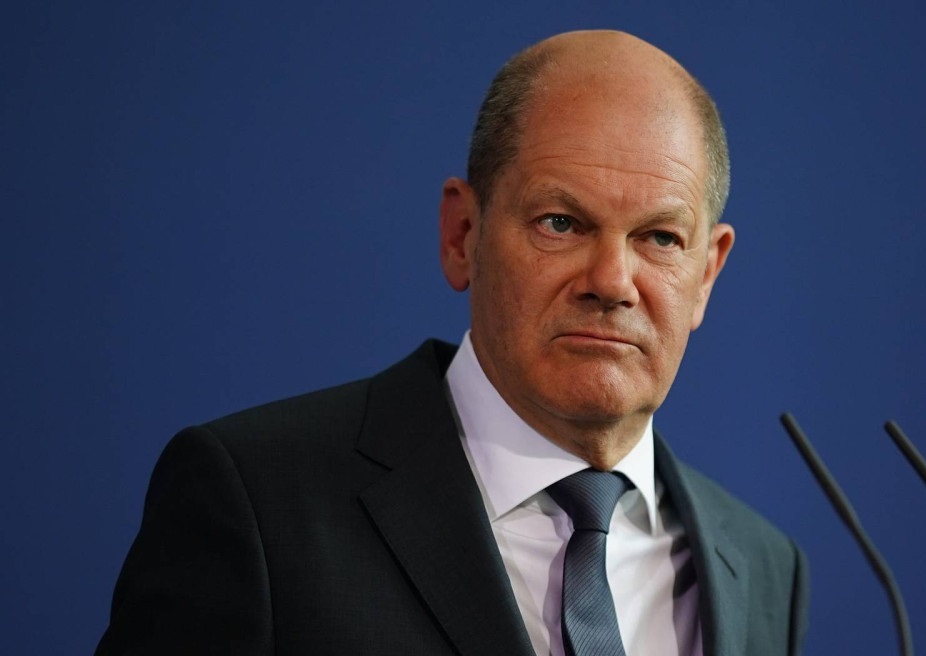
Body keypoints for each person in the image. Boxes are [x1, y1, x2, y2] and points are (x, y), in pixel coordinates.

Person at [97, 30, 808, 655]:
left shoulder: (764, 567)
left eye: (660, 238)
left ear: (707, 273)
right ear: (462, 234)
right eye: (561, 223)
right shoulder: (258, 503)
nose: (612, 281)